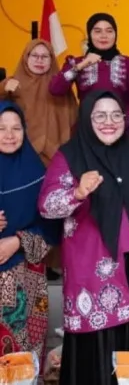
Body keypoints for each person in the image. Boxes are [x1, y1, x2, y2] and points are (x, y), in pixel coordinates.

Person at [38, 90, 129, 385]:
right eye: (100, 115)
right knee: (94, 347)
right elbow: (47, 205)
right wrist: (77, 192)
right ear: (86, 119)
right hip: (91, 267)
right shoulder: (71, 155)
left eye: (116, 115)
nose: (109, 122)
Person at [0, 101, 53, 360]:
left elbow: (52, 225)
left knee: (23, 358)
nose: (9, 135)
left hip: (26, 275)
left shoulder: (38, 174)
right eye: (1, 128)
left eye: (16, 128)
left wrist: (18, 241)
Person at [50, 13, 129, 138]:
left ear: (115, 34)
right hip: (87, 133)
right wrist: (80, 66)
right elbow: (55, 89)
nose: (104, 36)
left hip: (123, 134)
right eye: (97, 31)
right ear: (90, 35)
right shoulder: (77, 63)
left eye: (109, 31)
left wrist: (116, 125)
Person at [0, 39, 77, 165]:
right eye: (35, 55)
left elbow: (73, 120)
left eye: (45, 56)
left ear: (51, 60)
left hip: (55, 158)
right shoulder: (12, 84)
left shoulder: (60, 87)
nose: (39, 60)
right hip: (19, 154)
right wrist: (3, 89)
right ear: (26, 57)